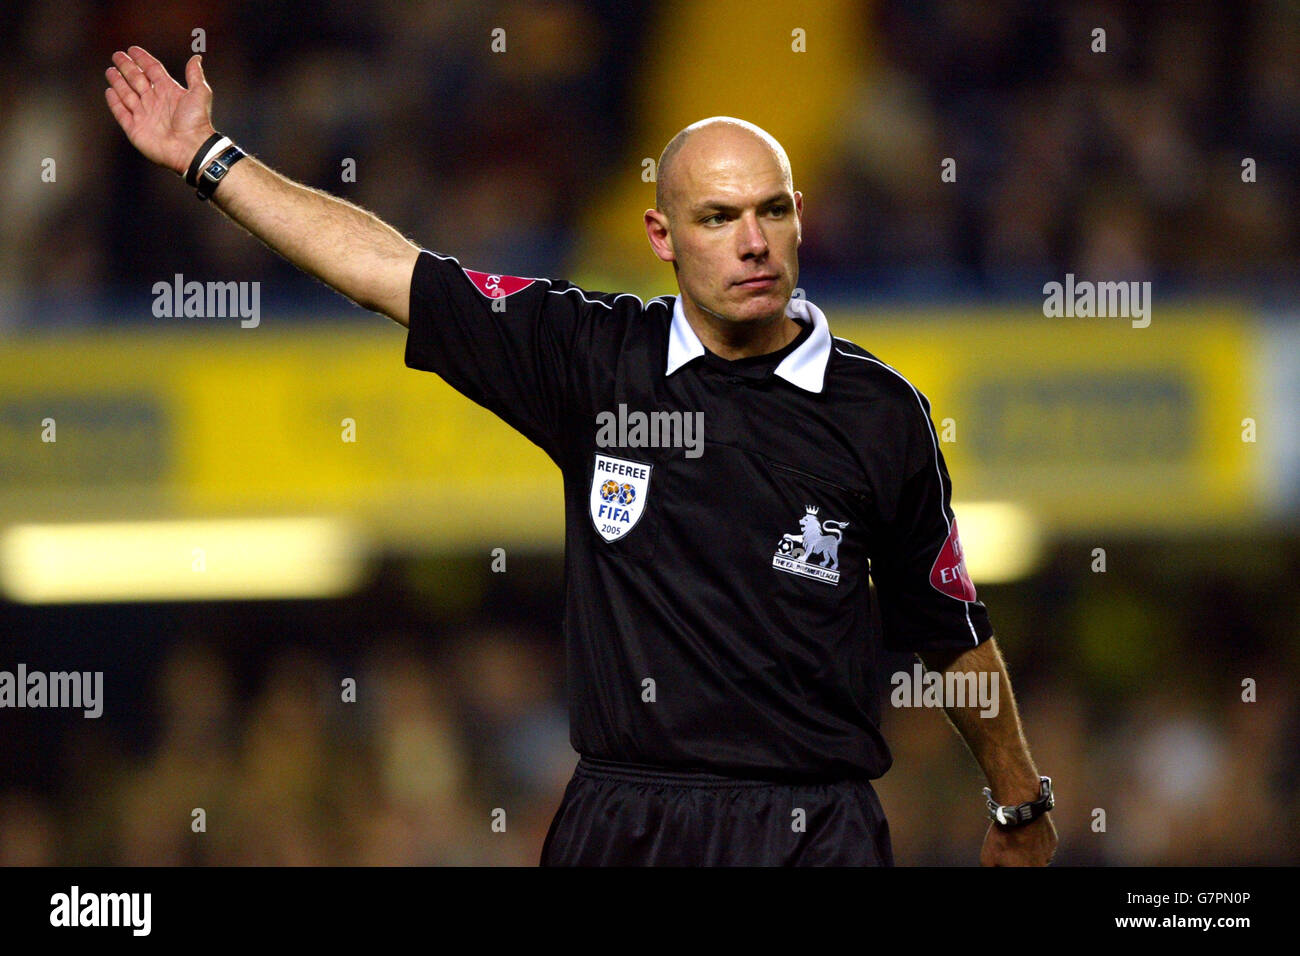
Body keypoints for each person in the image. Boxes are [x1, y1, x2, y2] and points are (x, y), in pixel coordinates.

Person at [105, 46, 1058, 866]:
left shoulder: (879, 410)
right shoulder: (591, 356)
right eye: (718, 218)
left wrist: (1017, 804)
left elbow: (953, 634)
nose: (753, 242)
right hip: (623, 819)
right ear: (662, 236)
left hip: (811, 824)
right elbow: (387, 270)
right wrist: (206, 157)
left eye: (771, 211)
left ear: (801, 215)